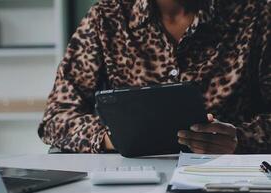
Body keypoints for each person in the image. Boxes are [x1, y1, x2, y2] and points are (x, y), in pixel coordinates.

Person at [38, 0, 270, 154]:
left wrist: (239, 138)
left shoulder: (256, 15)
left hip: (226, 175)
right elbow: (56, 118)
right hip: (129, 180)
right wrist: (113, 137)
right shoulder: (107, 17)